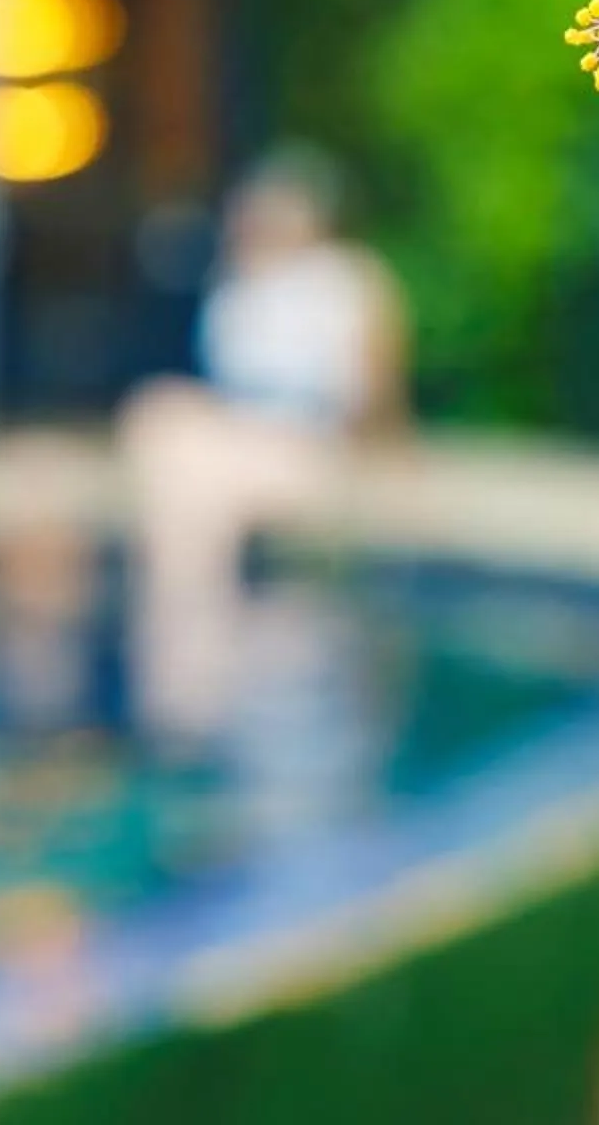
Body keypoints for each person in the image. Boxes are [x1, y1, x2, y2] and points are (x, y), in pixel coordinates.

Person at [116, 149, 403, 748]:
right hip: (242, 441)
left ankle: (184, 668)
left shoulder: (347, 281)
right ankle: (190, 645)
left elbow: (374, 396)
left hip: (306, 444)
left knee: (186, 471)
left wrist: (388, 465)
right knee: (163, 420)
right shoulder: (238, 291)